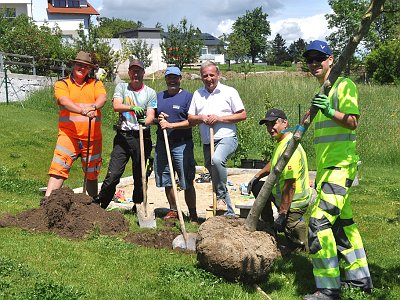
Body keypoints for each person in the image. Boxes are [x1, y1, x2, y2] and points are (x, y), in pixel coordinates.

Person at [303, 40, 373, 300]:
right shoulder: (323, 91)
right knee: (344, 226)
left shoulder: (344, 85)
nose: (314, 64)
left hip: (340, 167)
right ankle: (359, 279)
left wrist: (330, 110)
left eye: (319, 58)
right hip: (327, 170)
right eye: (310, 59)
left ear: (331, 59)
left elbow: (352, 121)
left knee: (319, 224)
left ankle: (328, 288)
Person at [94, 60, 156, 210]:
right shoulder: (122, 87)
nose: (135, 74)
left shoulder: (150, 92)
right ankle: (101, 204)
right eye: (133, 71)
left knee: (140, 175)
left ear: (143, 73)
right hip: (123, 137)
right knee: (113, 174)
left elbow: (150, 115)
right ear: (129, 73)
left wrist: (145, 122)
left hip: (141, 136)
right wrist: (132, 108)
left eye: (138, 71)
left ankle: (138, 205)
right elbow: (116, 106)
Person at [247, 108, 311, 252]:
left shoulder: (290, 147)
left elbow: (290, 184)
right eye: (267, 126)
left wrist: (282, 214)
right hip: (282, 196)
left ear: (285, 123)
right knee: (258, 187)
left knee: (294, 245)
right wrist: (257, 176)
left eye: (273, 124)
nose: (270, 129)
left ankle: (298, 237)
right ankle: (269, 227)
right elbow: (275, 163)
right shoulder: (282, 142)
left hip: (294, 202)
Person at [188, 61, 246, 216]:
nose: (209, 78)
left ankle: (220, 198)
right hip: (208, 141)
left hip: (226, 137)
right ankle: (228, 213)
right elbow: (190, 118)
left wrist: (219, 118)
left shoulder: (229, 92)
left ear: (218, 75)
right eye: (205, 75)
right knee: (216, 174)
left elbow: (242, 114)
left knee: (217, 160)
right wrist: (201, 117)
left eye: (211, 75)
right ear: (201, 77)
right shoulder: (198, 94)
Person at [45, 51, 107, 198]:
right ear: (73, 65)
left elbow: (102, 99)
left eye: (86, 66)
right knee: (58, 169)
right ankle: (46, 204)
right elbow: (64, 101)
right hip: (69, 136)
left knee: (92, 174)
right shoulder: (62, 84)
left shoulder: (96, 84)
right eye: (79, 65)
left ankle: (92, 206)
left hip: (92, 138)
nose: (82, 68)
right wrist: (82, 111)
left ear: (89, 69)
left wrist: (93, 107)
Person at [155, 66, 197, 222]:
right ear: (165, 79)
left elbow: (192, 122)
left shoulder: (188, 97)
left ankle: (192, 213)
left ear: (180, 79)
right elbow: (152, 118)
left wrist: (171, 125)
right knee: (166, 178)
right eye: (169, 77)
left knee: (186, 179)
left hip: (182, 144)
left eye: (175, 77)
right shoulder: (159, 97)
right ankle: (173, 209)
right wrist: (158, 119)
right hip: (163, 143)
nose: (172, 80)